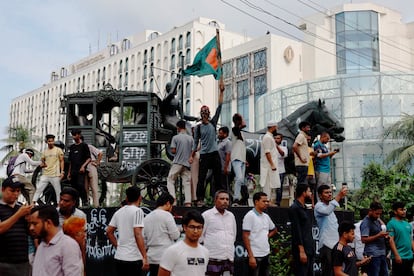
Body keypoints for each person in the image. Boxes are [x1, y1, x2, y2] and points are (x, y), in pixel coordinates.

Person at [190, 83, 225, 207]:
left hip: (214, 154)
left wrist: (221, 92)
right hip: (204, 155)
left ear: (208, 114)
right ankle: (200, 199)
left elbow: (220, 106)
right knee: (202, 178)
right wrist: (192, 155)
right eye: (203, 112)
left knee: (218, 177)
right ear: (201, 114)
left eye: (206, 112)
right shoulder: (198, 128)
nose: (204, 114)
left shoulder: (213, 123)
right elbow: (195, 143)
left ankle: (220, 198)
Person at [30, 205, 83, 276]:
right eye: (30, 224)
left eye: (35, 224)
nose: (31, 228)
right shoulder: (42, 245)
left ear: (48, 223)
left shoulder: (67, 245)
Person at [106, 186, 149, 276]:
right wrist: (145, 256)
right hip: (133, 258)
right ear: (140, 198)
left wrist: (118, 246)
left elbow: (109, 232)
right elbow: (137, 233)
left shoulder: (119, 212)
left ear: (126, 198)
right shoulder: (138, 211)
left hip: (119, 257)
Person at [158, 210, 209, 276]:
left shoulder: (205, 252)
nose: (196, 231)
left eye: (199, 227)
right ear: (185, 227)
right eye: (192, 227)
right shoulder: (172, 251)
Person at [0, 176, 33, 276]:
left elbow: (30, 233)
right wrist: (18, 214)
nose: (16, 194)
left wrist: (29, 220)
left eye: (18, 191)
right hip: (3, 262)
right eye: (12, 190)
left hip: (22, 261)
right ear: (3, 189)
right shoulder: (20, 211)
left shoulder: (22, 209)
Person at [314, 184, 348, 276]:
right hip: (326, 245)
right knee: (328, 271)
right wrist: (339, 196)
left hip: (335, 245)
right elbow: (327, 211)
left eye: (330, 192)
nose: (329, 194)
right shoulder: (318, 206)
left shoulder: (331, 208)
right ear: (320, 195)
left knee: (337, 271)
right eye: (326, 193)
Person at [143, 192, 180, 276]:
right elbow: (175, 235)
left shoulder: (147, 217)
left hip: (151, 257)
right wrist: (178, 230)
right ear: (167, 203)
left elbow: (144, 240)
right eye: (171, 205)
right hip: (166, 257)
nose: (171, 208)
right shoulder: (167, 215)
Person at [202, 190, 237, 275]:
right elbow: (200, 236)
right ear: (215, 200)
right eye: (222, 199)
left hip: (228, 258)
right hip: (212, 258)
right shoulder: (207, 215)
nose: (225, 201)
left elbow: (234, 235)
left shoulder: (231, 216)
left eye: (227, 199)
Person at [242, 192, 278, 276]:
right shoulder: (249, 216)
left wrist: (266, 236)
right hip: (254, 254)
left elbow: (274, 229)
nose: (266, 203)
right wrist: (251, 256)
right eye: (264, 201)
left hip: (266, 253)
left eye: (267, 201)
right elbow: (245, 236)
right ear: (256, 202)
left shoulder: (266, 216)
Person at [288, 184, 314, 276]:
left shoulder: (305, 208)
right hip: (302, 250)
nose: (311, 194)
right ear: (303, 193)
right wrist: (301, 251)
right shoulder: (294, 208)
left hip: (310, 247)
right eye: (309, 191)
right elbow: (296, 230)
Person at [166, 120, 193, 207]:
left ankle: (173, 200)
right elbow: (194, 150)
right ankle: (188, 202)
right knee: (187, 182)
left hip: (177, 162)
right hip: (187, 163)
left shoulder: (176, 138)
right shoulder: (190, 138)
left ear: (178, 127)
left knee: (170, 180)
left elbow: (173, 150)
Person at [33, 134, 64, 205]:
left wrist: (62, 173)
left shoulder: (61, 155)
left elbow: (63, 163)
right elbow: (42, 163)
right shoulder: (45, 153)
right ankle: (47, 203)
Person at [360, 202, 388, 276]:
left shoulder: (377, 220)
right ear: (370, 211)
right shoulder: (366, 222)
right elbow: (363, 239)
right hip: (373, 254)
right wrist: (378, 235)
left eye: (380, 214)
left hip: (381, 253)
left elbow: (383, 227)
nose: (378, 216)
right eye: (376, 213)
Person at [386, 202, 414, 275]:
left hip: (409, 257)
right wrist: (396, 255)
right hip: (399, 257)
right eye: (401, 210)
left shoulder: (407, 224)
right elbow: (391, 240)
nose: (404, 211)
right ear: (395, 211)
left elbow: (411, 240)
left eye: (404, 209)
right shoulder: (391, 224)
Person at [67, 129, 91, 206]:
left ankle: (85, 201)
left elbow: (89, 158)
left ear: (79, 135)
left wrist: (83, 166)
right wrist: (69, 173)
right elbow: (70, 161)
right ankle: (76, 204)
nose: (74, 137)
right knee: (74, 188)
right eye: (73, 135)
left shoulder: (84, 146)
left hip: (81, 171)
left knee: (80, 185)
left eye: (75, 135)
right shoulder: (72, 147)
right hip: (73, 171)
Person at [259, 120, 280, 200]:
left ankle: (268, 201)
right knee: (267, 184)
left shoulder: (270, 137)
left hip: (270, 166)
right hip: (268, 166)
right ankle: (266, 201)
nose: (277, 129)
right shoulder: (267, 137)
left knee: (271, 184)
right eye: (276, 127)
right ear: (273, 127)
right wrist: (272, 164)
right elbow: (267, 152)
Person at [230, 113, 247, 206]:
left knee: (242, 180)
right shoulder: (234, 130)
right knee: (239, 178)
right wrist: (240, 118)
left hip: (242, 159)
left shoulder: (241, 133)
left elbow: (242, 146)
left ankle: (243, 198)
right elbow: (243, 125)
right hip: (236, 158)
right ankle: (236, 198)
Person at [81, 135, 103, 207]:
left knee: (94, 187)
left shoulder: (89, 146)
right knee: (85, 188)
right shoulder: (78, 148)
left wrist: (97, 162)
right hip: (83, 167)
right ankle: (86, 204)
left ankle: (96, 205)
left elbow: (100, 153)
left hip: (91, 165)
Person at [274, 133, 288, 206]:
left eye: (278, 138)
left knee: (279, 187)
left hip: (280, 170)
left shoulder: (284, 148)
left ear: (281, 139)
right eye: (275, 138)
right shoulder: (271, 148)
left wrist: (277, 147)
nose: (276, 140)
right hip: (272, 170)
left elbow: (283, 154)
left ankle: (278, 202)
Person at [217, 126, 232, 193]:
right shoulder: (219, 142)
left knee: (225, 186)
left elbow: (228, 155)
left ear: (225, 134)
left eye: (220, 133)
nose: (219, 135)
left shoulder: (227, 142)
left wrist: (225, 167)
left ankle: (228, 201)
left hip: (224, 169)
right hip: (219, 168)